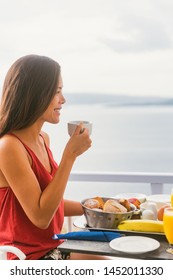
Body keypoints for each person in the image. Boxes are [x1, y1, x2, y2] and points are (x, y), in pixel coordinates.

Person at [0, 54, 111, 260]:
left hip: (54, 246)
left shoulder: (43, 138)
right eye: (57, 92)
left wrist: (100, 208)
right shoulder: (9, 146)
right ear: (36, 94)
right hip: (27, 259)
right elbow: (41, 216)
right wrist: (70, 156)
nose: (63, 100)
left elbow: (51, 202)